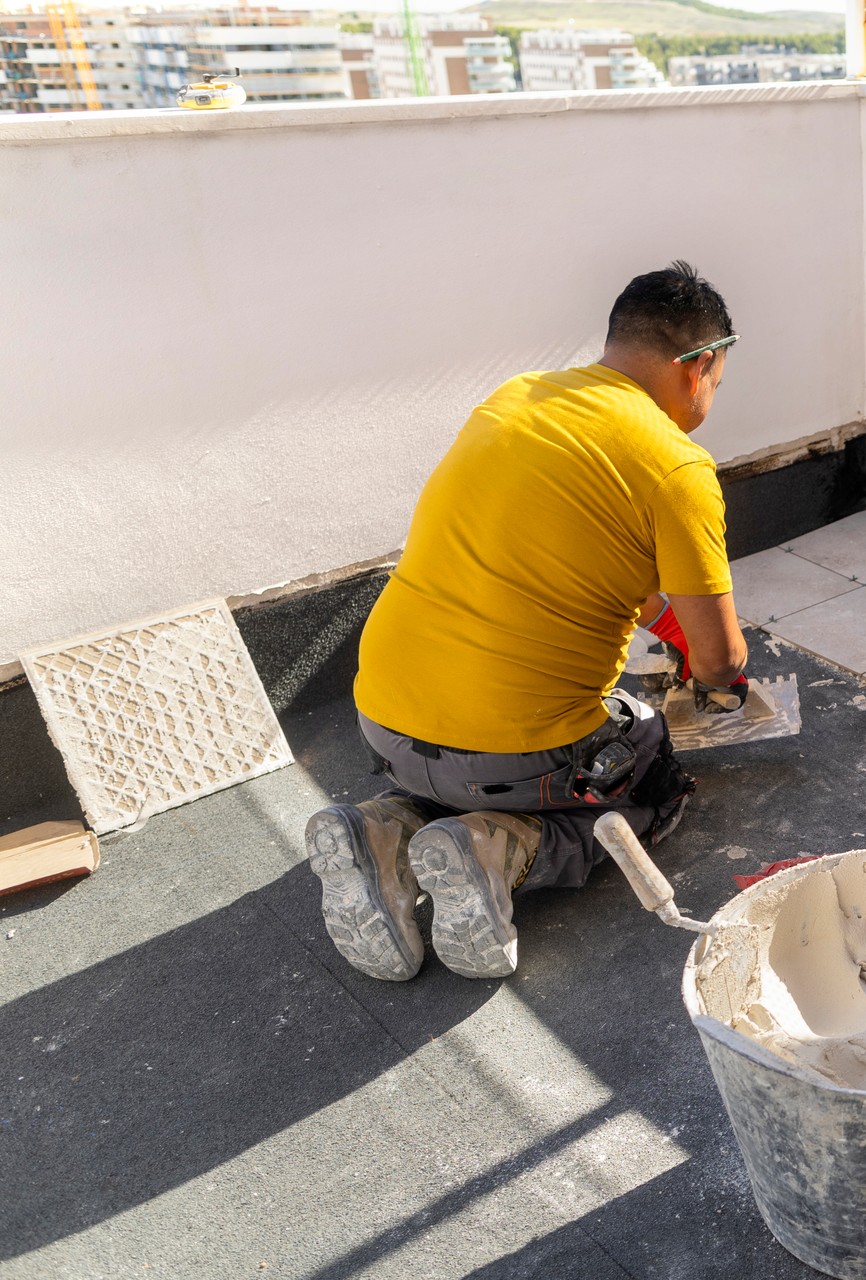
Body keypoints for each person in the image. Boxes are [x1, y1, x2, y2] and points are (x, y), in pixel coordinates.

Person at [305, 262, 749, 983]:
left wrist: (667, 622)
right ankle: (496, 849)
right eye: (718, 383)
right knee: (653, 774)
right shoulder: (676, 464)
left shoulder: (517, 398)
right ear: (698, 367)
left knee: (458, 756)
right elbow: (721, 664)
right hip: (515, 758)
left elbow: (604, 564)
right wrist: (720, 666)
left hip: (382, 718)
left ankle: (384, 826)